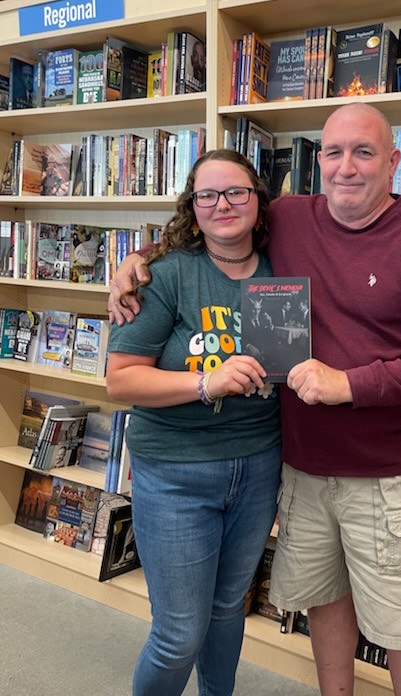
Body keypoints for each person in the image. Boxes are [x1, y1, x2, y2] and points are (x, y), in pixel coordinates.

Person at [108, 103, 401, 696]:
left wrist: (349, 384)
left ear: (393, 162)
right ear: (318, 164)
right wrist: (137, 260)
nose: (346, 168)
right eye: (333, 153)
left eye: (364, 153)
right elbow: (210, 217)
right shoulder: (288, 216)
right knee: (322, 602)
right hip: (301, 469)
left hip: (387, 475)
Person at [105, 150, 281, 696]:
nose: (222, 204)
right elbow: (121, 380)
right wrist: (207, 382)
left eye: (236, 192)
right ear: (192, 205)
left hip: (257, 467)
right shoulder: (168, 274)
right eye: (207, 195)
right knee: (179, 632)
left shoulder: (284, 266)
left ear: (257, 199)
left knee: (229, 610)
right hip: (176, 471)